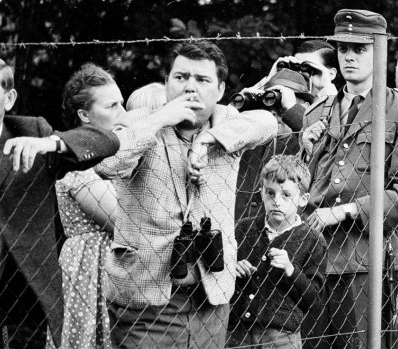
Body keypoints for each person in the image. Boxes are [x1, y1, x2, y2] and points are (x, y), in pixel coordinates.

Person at [95, 40, 278, 349]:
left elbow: (268, 122)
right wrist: (160, 118)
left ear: (220, 90)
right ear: (166, 82)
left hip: (210, 300)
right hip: (147, 304)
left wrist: (207, 141)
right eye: (181, 77)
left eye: (202, 79)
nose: (190, 87)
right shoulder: (138, 122)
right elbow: (107, 163)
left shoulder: (226, 122)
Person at [300, 9, 398, 349]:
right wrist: (306, 154)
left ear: (380, 51)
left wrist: (345, 211)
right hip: (311, 260)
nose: (349, 57)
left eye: (360, 49)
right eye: (343, 48)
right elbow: (298, 189)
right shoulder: (316, 112)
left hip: (365, 260)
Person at [0, 59, 119, 348]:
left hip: (23, 295)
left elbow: (107, 140)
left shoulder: (32, 131)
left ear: (9, 99)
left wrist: (51, 143)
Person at [46, 63, 125, 349]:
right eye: (112, 106)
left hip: (118, 266)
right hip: (90, 267)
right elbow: (123, 222)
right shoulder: (77, 165)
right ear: (84, 115)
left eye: (122, 103)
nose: (122, 113)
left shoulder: (116, 156)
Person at [229, 154, 326, 349]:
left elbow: (314, 300)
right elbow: (224, 274)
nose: (277, 201)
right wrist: (233, 269)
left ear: (303, 199)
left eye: (286, 195)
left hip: (282, 337)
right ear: (261, 193)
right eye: (270, 193)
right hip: (238, 332)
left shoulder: (312, 240)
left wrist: (291, 270)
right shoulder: (243, 229)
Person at [235, 69, 314, 221]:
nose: (274, 111)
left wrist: (292, 110)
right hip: (239, 226)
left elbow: (317, 142)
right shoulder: (248, 140)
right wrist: (237, 108)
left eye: (281, 103)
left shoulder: (305, 143)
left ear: (304, 106)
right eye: (270, 101)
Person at [266, 40, 340, 98]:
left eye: (308, 67)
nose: (300, 73)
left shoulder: (341, 106)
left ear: (331, 74)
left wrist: (325, 88)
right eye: (296, 66)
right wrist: (270, 80)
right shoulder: (283, 99)